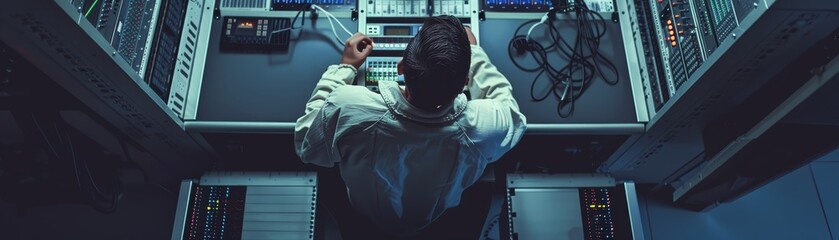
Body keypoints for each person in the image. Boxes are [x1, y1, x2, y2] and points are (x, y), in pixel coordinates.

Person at [294, 16, 526, 237]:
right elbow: (512, 115)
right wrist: (475, 55)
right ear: (465, 82)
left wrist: (345, 68)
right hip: (439, 219)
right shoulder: (484, 126)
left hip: (362, 215)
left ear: (401, 67)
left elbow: (306, 142)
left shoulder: (348, 106)